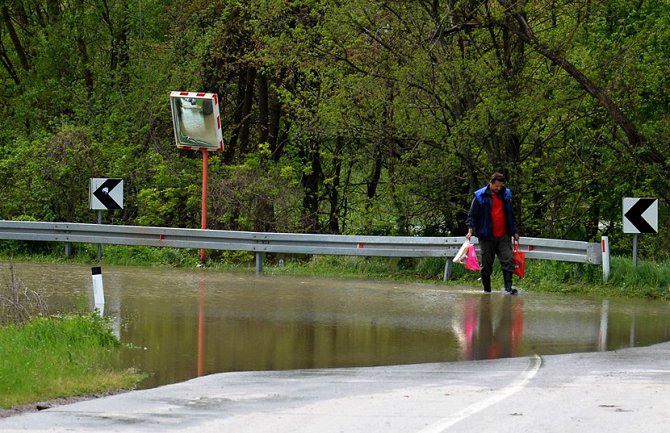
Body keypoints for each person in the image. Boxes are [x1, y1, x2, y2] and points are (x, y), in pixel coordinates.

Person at [465, 172, 520, 295]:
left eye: (501, 186)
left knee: (508, 260)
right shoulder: (480, 196)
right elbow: (472, 215)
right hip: (486, 236)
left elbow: (510, 215)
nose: (498, 189)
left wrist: (514, 231)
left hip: (503, 235)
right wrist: (470, 230)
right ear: (491, 182)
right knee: (486, 264)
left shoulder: (505, 195)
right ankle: (487, 290)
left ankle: (508, 289)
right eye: (496, 186)